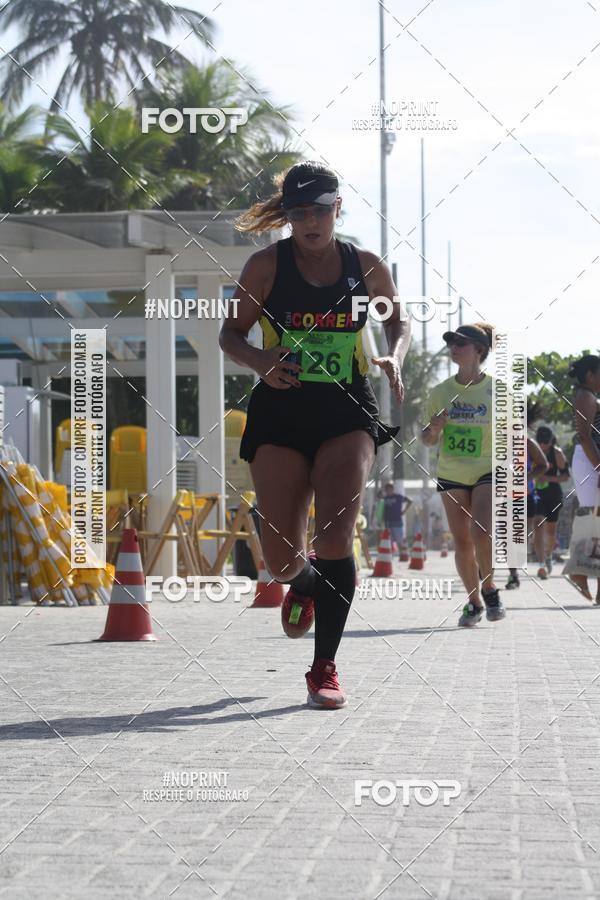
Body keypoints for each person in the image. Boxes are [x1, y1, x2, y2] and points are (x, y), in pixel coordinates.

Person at [219, 161, 411, 708]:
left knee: (334, 536)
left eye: (319, 211)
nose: (309, 222)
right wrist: (259, 360)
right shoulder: (264, 267)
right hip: (281, 410)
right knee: (281, 559)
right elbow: (229, 333)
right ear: (288, 216)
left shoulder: (365, 266)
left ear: (337, 210)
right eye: (298, 213)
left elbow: (398, 320)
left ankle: (323, 667)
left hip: (346, 409)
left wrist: (393, 355)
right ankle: (302, 584)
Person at [421, 322, 504, 627]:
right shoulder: (440, 392)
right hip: (451, 471)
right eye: (452, 342)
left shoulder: (498, 390)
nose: (454, 347)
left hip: (487, 468)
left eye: (461, 343)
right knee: (462, 543)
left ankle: (491, 587)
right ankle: (474, 603)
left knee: (480, 533)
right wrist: (434, 429)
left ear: (479, 350)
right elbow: (427, 440)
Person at [567, 355, 600, 600]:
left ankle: (591, 580)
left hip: (591, 460)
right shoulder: (585, 397)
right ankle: (579, 571)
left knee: (596, 522)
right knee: (593, 520)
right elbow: (585, 436)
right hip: (590, 460)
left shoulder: (588, 396)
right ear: (590, 375)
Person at [506, 436, 549, 588]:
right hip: (501, 495)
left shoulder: (528, 442)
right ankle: (513, 575)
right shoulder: (492, 438)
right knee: (508, 536)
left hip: (525, 495)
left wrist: (526, 476)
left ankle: (517, 561)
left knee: (520, 537)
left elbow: (543, 465)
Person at [534, 425, 570, 574]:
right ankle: (541, 563)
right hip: (536, 494)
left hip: (553, 494)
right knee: (538, 524)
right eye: (540, 442)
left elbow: (566, 476)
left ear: (551, 441)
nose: (543, 445)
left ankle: (548, 556)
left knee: (550, 530)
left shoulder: (557, 454)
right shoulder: (532, 451)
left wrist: (548, 478)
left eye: (546, 442)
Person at [376, 481, 412, 558]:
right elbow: (378, 495)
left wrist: (404, 511)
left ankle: (403, 554)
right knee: (389, 539)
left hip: (397, 521)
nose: (388, 491)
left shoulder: (398, 497)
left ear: (392, 489)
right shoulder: (385, 498)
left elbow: (410, 500)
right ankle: (390, 555)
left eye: (390, 489)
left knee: (399, 539)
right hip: (387, 521)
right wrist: (382, 491)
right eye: (387, 489)